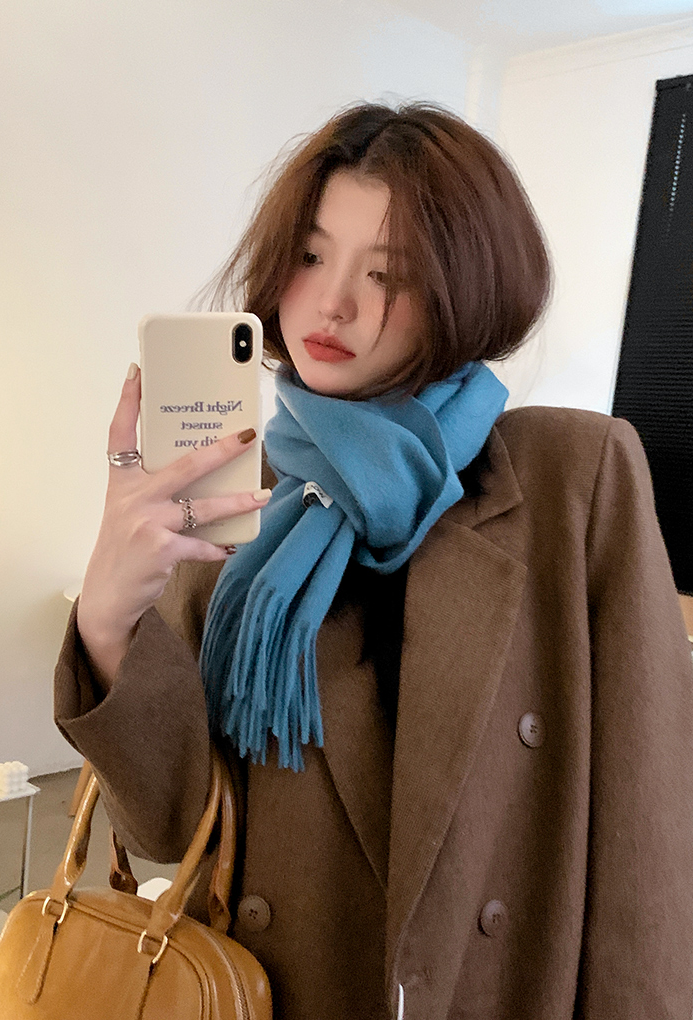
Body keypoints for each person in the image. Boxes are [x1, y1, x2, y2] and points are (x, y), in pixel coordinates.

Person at [54, 103, 693, 1018]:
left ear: (467, 289)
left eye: (386, 273)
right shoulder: (241, 491)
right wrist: (110, 618)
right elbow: (167, 828)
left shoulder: (572, 477)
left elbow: (650, 840)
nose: (331, 303)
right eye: (311, 256)